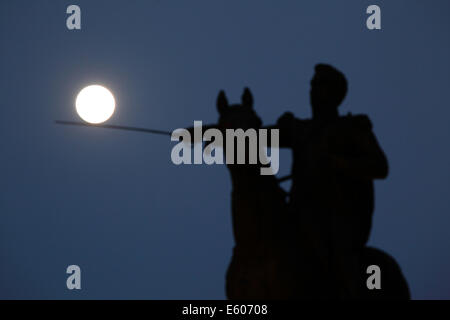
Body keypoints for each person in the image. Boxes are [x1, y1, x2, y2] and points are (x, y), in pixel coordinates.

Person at [276, 64, 389, 298]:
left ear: (335, 94)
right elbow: (254, 137)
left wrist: (338, 163)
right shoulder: (299, 129)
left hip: (338, 217)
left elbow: (380, 166)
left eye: (320, 85)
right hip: (298, 214)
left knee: (343, 261)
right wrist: (220, 133)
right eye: (312, 85)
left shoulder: (352, 127)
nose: (313, 90)